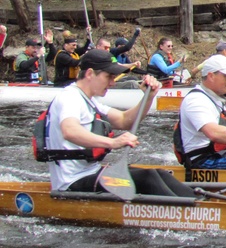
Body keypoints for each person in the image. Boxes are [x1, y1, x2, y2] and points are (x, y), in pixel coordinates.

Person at [40, 49, 160, 192]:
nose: (112, 83)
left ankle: (192, 206)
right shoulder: (69, 97)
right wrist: (113, 142)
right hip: (71, 182)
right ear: (90, 74)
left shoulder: (90, 101)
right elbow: (69, 131)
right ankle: (189, 210)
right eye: (109, 77)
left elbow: (124, 121)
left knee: (158, 174)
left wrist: (148, 97)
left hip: (90, 173)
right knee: (148, 179)